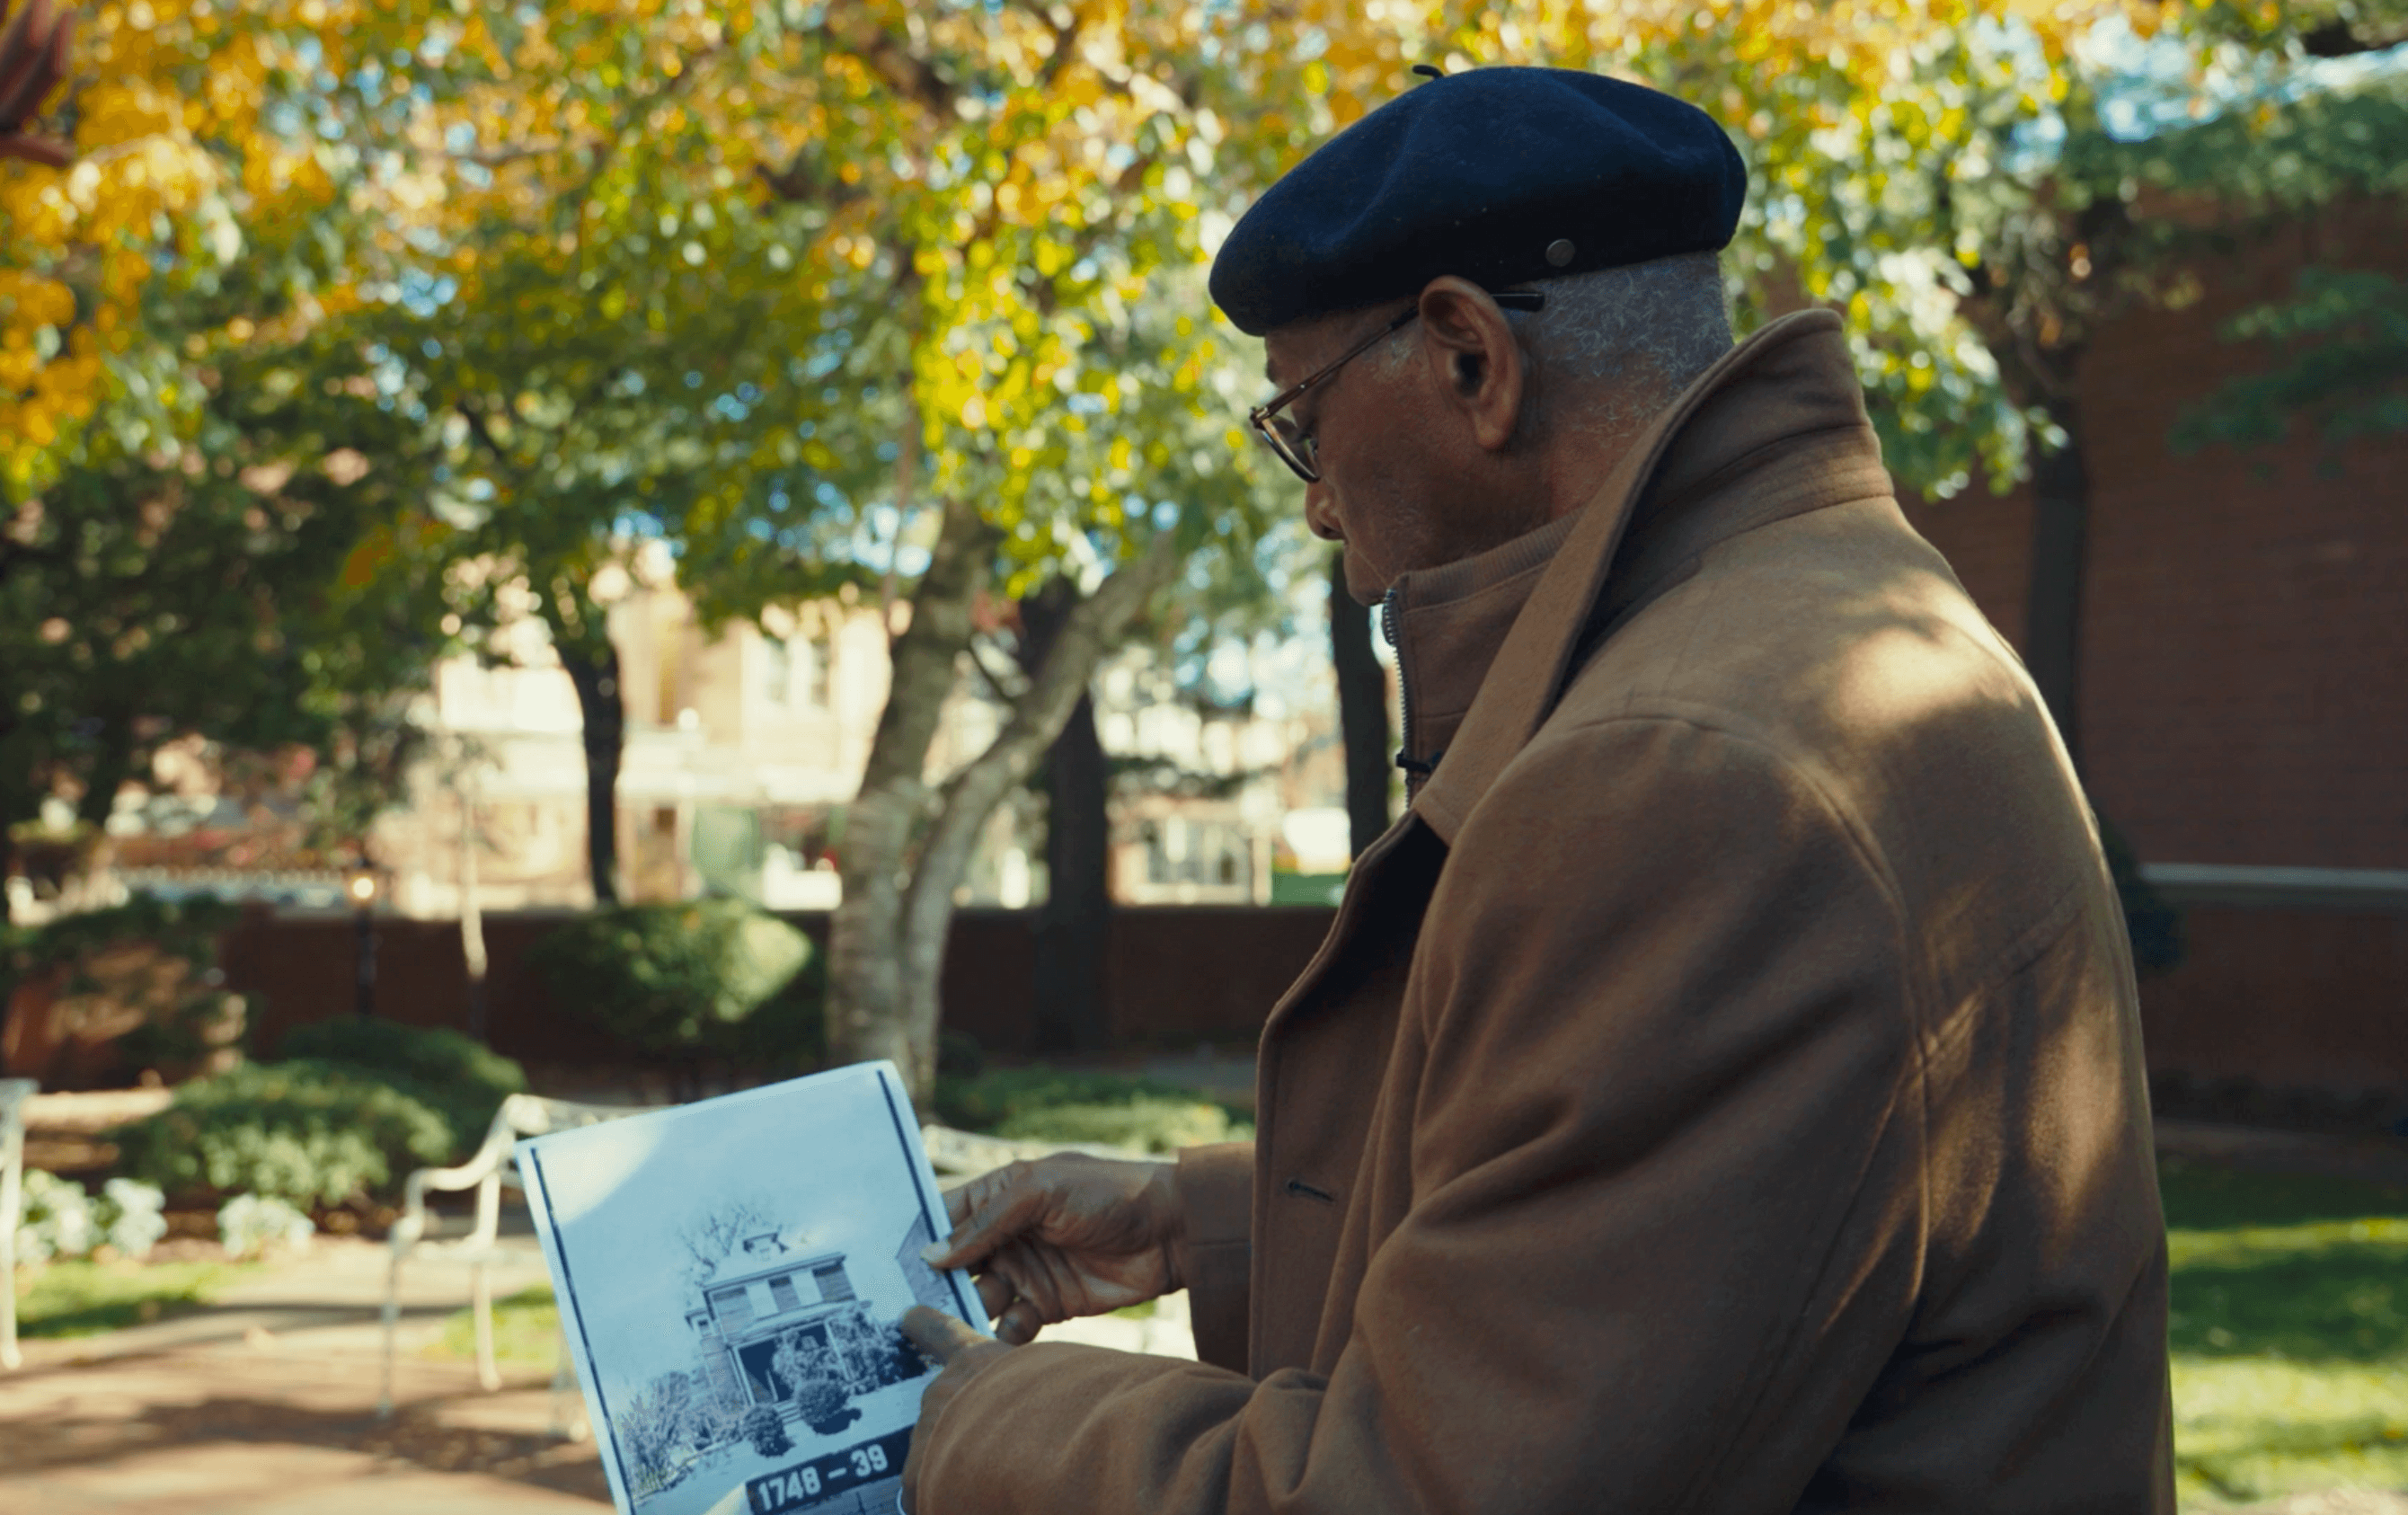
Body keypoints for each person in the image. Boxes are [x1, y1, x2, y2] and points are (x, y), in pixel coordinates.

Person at [897, 66, 2174, 1514]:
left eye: (1303, 425)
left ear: (1466, 361)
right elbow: (1683, 1223)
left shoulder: (1683, 773)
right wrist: (1206, 1225)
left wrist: (964, 1422)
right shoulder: (1837, 620)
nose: (1314, 501)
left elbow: (1433, 1490)